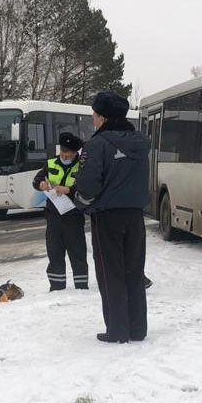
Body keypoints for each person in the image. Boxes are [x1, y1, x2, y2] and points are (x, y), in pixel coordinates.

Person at [73, 91, 151, 343]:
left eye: (94, 115)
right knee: (134, 271)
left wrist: (80, 204)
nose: (93, 120)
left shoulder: (96, 145)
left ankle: (117, 329)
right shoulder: (140, 142)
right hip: (135, 216)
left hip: (107, 218)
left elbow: (87, 186)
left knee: (111, 273)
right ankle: (137, 328)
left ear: (103, 117)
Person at [32, 132, 89, 291]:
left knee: (77, 253)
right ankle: (56, 286)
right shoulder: (50, 163)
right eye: (62, 151)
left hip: (73, 216)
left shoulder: (82, 166)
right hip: (53, 216)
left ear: (75, 153)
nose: (63, 155)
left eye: (67, 153)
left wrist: (69, 190)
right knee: (54, 252)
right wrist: (41, 184)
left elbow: (87, 187)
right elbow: (36, 180)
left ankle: (81, 286)